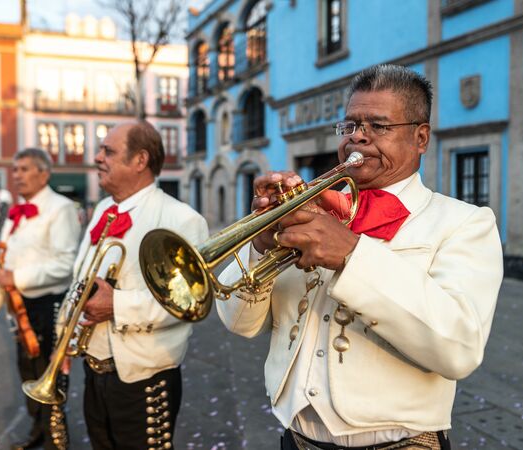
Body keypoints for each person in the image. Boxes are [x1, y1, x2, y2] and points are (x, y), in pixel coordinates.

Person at [216, 64, 504, 450]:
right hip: (296, 440)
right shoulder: (316, 209)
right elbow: (241, 325)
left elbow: (460, 349)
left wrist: (352, 253)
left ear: (421, 138)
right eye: (350, 126)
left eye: (378, 127)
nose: (358, 138)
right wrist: (261, 244)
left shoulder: (464, 222)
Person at [72, 121, 208, 450]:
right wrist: (69, 333)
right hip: (94, 372)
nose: (97, 157)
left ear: (140, 160)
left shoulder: (183, 219)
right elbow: (81, 280)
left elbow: (187, 305)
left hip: (143, 377)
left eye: (108, 151)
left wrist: (116, 305)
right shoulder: (103, 209)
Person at [0, 148, 80, 450]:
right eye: (15, 169)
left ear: (44, 173)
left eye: (24, 169)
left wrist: (18, 280)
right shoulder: (15, 212)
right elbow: (4, 263)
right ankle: (38, 431)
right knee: (27, 372)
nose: (17, 175)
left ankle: (56, 441)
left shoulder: (61, 208)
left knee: (50, 376)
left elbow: (65, 263)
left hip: (49, 305)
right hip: (19, 307)